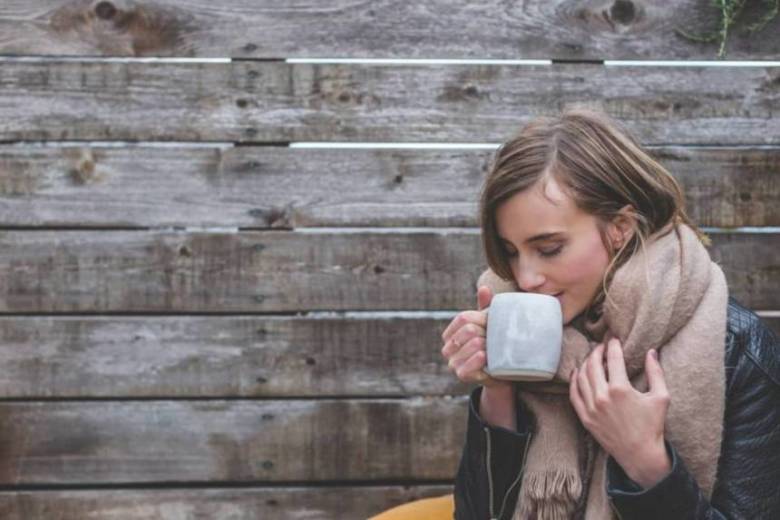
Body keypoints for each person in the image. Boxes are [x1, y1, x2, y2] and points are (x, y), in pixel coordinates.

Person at [439, 107, 780, 519]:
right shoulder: (519, 333)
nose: (525, 277)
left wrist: (644, 460)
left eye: (549, 248)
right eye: (511, 252)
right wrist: (498, 391)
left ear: (620, 227)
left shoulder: (739, 351)